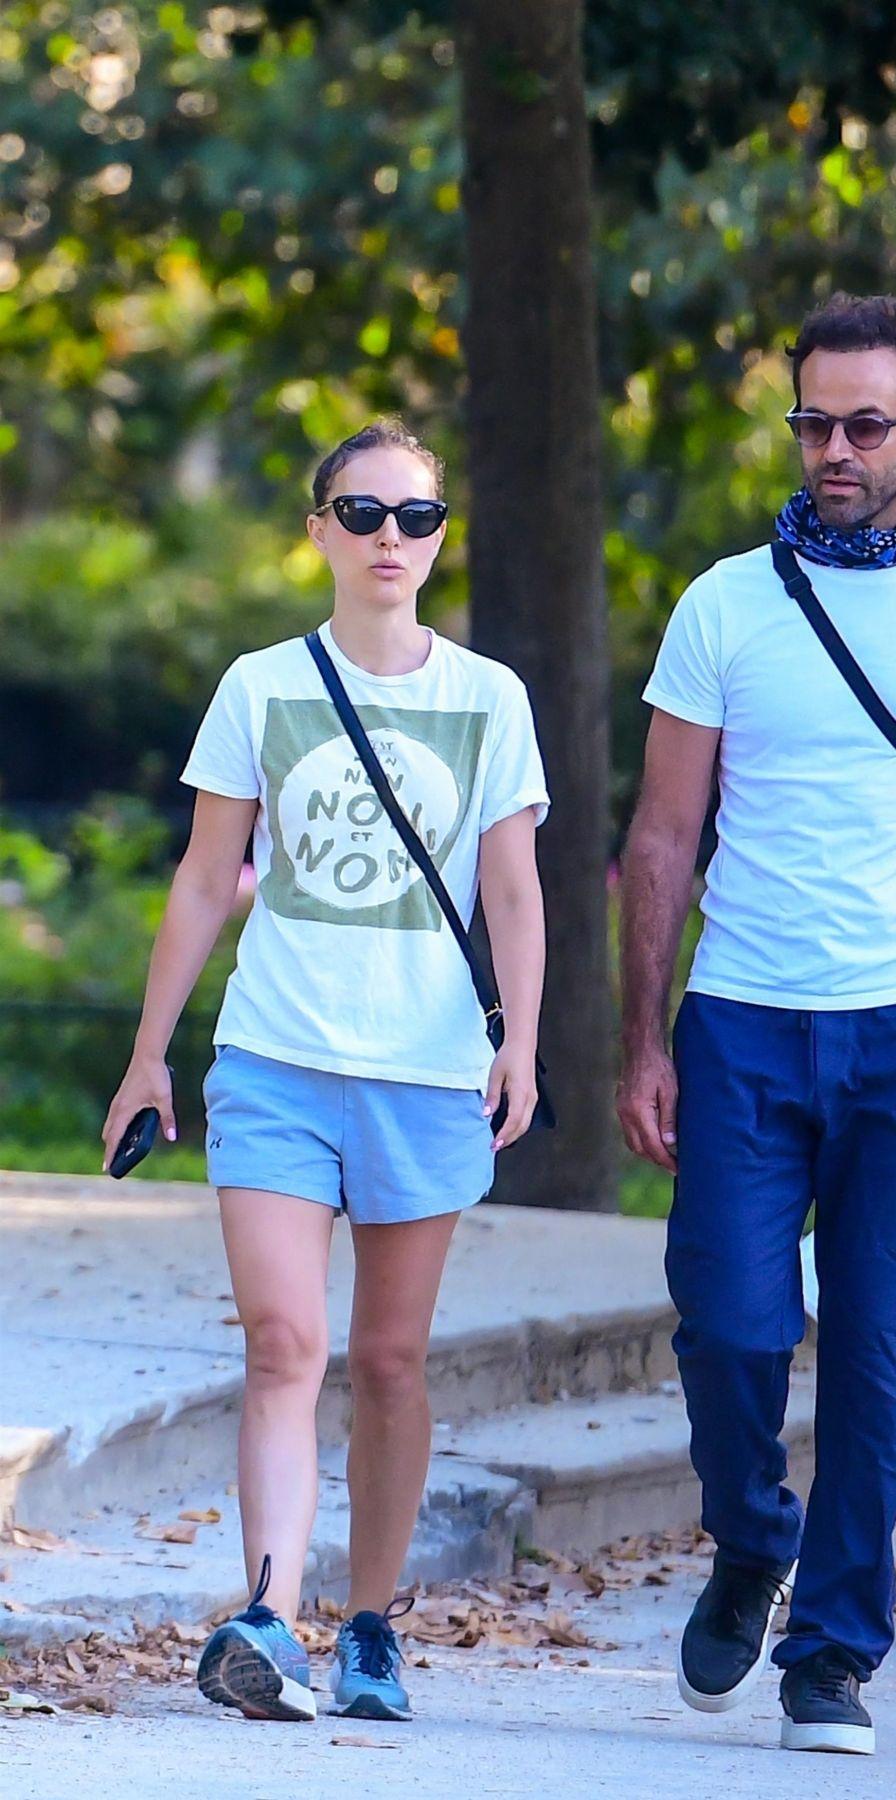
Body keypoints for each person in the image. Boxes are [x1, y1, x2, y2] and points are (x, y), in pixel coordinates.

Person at [617, 292, 896, 1757]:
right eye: (812, 418)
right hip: (742, 1019)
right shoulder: (722, 604)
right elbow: (661, 837)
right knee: (733, 1326)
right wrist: (640, 1039)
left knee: (880, 1356)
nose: (833, 447)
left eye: (864, 423)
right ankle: (752, 1537)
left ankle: (831, 1656)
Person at [103, 418, 549, 1722]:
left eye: (415, 516)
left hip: (424, 1071)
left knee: (392, 1359)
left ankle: (368, 1628)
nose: (389, 539)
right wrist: (148, 1057)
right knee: (287, 1342)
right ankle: (265, 1617)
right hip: (276, 1058)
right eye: (361, 514)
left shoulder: (489, 699)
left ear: (440, 535)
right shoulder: (260, 687)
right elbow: (201, 881)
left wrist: (522, 1038)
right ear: (318, 533)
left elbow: (515, 892)